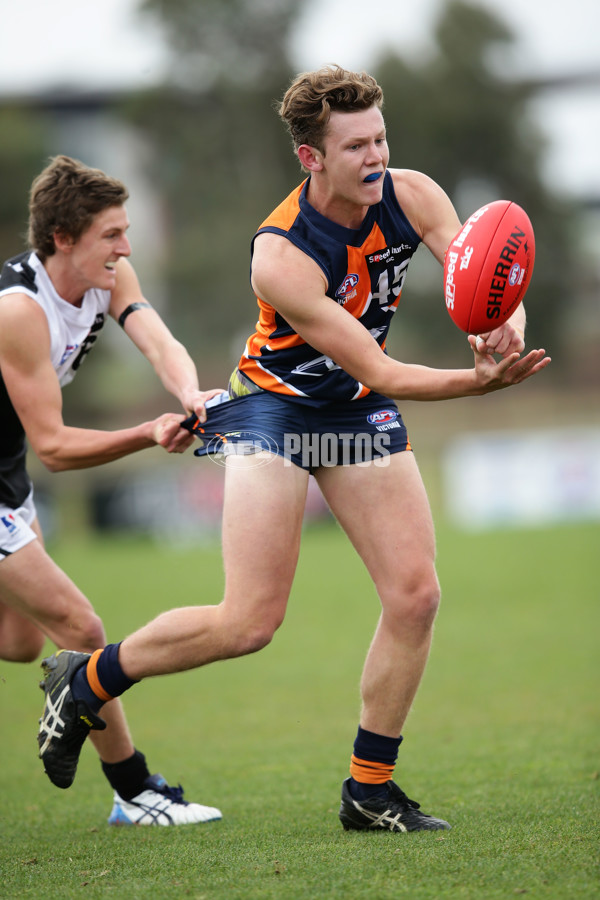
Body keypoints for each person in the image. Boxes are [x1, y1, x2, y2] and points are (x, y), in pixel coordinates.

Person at [36, 69, 551, 833]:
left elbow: (480, 281)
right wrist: (477, 385)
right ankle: (87, 682)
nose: (376, 156)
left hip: (353, 409)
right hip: (275, 411)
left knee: (417, 596)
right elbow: (379, 368)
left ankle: (369, 792)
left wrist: (496, 327)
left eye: (380, 137)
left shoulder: (415, 195)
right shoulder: (279, 255)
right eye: (355, 146)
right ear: (312, 158)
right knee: (249, 621)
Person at [1, 155, 224, 826]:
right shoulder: (18, 312)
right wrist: (149, 432)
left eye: (126, 232)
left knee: (20, 643)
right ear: (63, 237)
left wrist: (189, 394)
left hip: (7, 472)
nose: (126, 248)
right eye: (111, 234)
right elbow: (57, 449)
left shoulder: (107, 275)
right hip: (17, 466)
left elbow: (158, 341)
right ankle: (135, 791)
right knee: (80, 628)